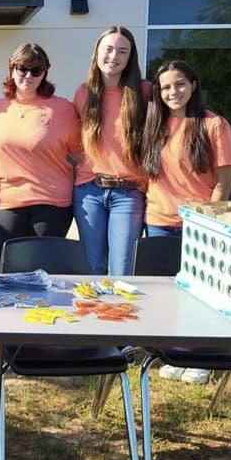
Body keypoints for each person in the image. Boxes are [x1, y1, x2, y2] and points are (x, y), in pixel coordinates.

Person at [141, 59, 231, 385]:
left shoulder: (213, 125)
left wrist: (208, 219)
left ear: (193, 84)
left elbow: (224, 181)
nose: (173, 92)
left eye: (179, 84)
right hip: (158, 220)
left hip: (199, 224)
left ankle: (199, 357)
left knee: (200, 293)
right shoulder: (155, 124)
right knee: (168, 292)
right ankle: (174, 352)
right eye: (166, 87)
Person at [0, 43, 80, 271]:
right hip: (6, 201)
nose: (28, 75)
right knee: (4, 273)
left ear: (44, 73)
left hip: (50, 203)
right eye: (22, 68)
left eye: (36, 70)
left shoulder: (62, 109)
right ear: (11, 69)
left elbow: (80, 152)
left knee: (41, 274)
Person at [72, 26, 150, 276]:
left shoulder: (145, 91)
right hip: (89, 191)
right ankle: (95, 315)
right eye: (108, 49)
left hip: (128, 193)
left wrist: (215, 127)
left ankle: (120, 315)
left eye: (122, 51)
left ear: (130, 58)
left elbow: (180, 109)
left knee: (122, 270)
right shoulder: (84, 93)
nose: (113, 56)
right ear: (97, 53)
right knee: (93, 267)